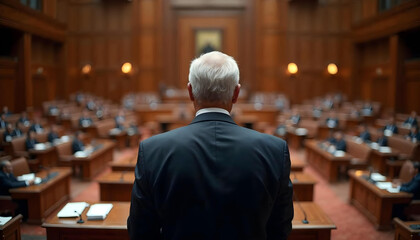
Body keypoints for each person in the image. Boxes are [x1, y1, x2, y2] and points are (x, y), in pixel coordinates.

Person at [128, 51, 294, 240]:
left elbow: (140, 231)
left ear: (190, 92)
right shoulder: (274, 150)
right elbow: (280, 228)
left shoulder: (152, 150)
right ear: (236, 93)